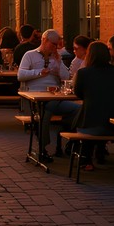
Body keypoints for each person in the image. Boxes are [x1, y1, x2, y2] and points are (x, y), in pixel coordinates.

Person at [73, 41, 114, 169]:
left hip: (90, 125)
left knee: (81, 115)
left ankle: (85, 158)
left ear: (89, 55)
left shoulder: (84, 73)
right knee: (100, 112)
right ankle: (100, 152)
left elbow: (78, 94)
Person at [17, 29, 76, 160]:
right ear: (44, 40)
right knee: (46, 111)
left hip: (55, 97)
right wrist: (39, 72)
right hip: (36, 98)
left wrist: (59, 63)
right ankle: (43, 148)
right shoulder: (30, 55)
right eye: (53, 44)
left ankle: (67, 140)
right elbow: (20, 75)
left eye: (57, 45)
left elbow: (66, 77)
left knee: (77, 109)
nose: (55, 47)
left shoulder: (56, 57)